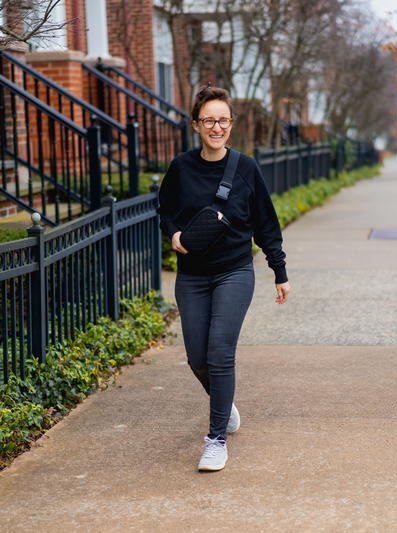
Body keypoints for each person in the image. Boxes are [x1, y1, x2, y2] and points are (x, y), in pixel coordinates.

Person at [157, 86, 291, 471]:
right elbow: (165, 210)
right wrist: (175, 235)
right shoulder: (181, 167)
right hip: (193, 276)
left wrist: (278, 270)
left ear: (231, 124)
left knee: (219, 351)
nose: (217, 127)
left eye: (224, 120)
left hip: (234, 271)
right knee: (197, 357)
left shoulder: (245, 168)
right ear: (196, 125)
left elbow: (266, 222)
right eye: (209, 120)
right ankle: (224, 403)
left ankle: (216, 438)